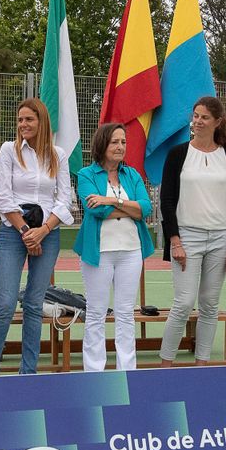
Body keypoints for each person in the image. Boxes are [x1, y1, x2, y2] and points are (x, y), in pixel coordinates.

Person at [0, 98, 73, 377]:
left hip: (48, 235)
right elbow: (3, 197)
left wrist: (42, 231)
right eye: (20, 120)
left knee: (34, 303)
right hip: (12, 234)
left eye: (29, 119)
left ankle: (28, 373)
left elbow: (64, 200)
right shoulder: (8, 150)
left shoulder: (58, 155)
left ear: (41, 121)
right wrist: (25, 232)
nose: (23, 125)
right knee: (6, 303)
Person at [157, 96, 226, 367]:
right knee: (183, 304)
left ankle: (201, 365)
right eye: (195, 115)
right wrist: (175, 241)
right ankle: (165, 366)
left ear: (217, 122)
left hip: (220, 238)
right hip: (186, 237)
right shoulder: (178, 154)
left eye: (204, 117)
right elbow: (167, 201)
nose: (198, 121)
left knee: (209, 304)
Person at [73, 122, 153, 372]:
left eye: (123, 142)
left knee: (126, 314)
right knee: (96, 313)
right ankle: (94, 371)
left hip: (131, 251)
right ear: (102, 144)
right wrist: (128, 207)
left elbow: (146, 209)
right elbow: (95, 211)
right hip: (99, 253)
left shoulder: (133, 175)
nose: (120, 147)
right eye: (115, 142)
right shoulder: (86, 174)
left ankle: (126, 370)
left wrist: (111, 199)